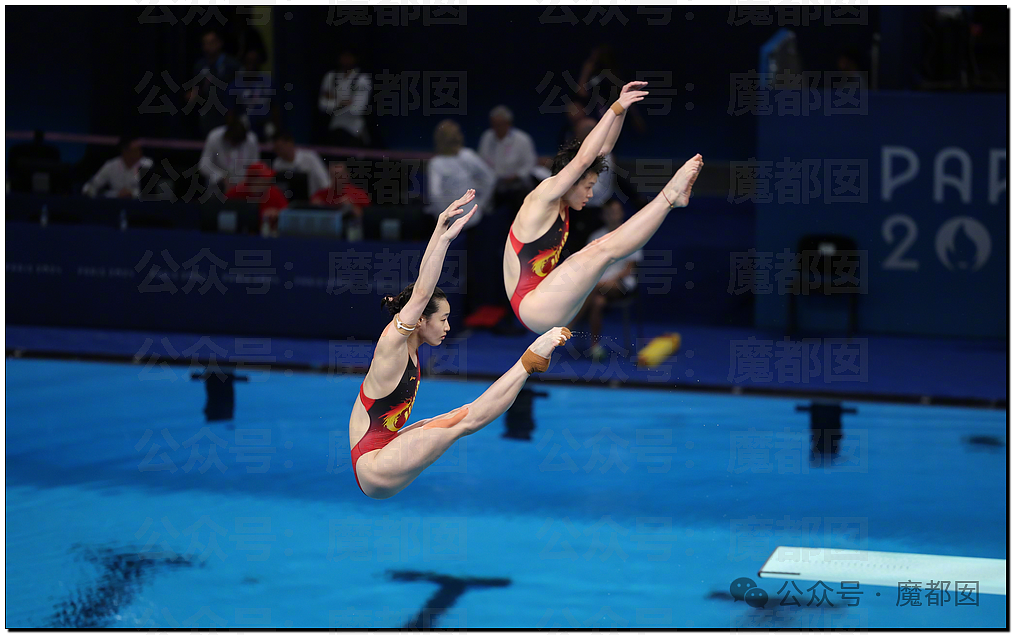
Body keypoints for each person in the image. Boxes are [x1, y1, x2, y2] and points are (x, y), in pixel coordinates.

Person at [348, 190, 572, 499]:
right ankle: (528, 362)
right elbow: (422, 293)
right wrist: (442, 236)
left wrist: (440, 235)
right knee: (465, 420)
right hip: (374, 465)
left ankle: (529, 363)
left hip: (383, 454)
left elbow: (421, 294)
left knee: (458, 419)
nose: (448, 327)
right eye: (443, 319)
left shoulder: (408, 347)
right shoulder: (393, 342)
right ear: (421, 320)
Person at [504, 80, 703, 334]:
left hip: (546, 297)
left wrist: (621, 108)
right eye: (587, 186)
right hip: (533, 306)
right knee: (600, 250)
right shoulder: (544, 195)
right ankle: (669, 198)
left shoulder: (561, 203)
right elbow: (583, 159)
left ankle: (670, 200)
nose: (591, 194)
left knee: (599, 250)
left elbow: (602, 150)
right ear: (570, 180)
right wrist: (615, 109)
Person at [567, 199, 642, 360]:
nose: (613, 215)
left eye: (616, 211)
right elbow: (588, 266)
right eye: (609, 212)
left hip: (622, 284)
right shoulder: (596, 237)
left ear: (621, 213)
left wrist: (608, 280)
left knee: (592, 288)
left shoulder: (632, 235)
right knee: (598, 302)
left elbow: (629, 269)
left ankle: (569, 324)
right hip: (599, 286)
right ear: (603, 215)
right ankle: (595, 347)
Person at [425, 119, 495, 229]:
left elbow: (489, 179)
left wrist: (480, 205)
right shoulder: (437, 163)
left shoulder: (467, 156)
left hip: (468, 220)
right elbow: (435, 195)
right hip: (455, 221)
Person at [478, 105, 538, 209]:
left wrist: (516, 176)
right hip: (493, 183)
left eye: (500, 124)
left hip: (517, 184)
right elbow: (481, 162)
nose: (497, 128)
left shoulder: (522, 139)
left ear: (508, 124)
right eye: (494, 124)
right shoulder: (487, 137)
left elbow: (530, 163)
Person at [189, 29, 241, 137]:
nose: (208, 46)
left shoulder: (232, 65)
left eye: (211, 43)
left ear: (220, 43)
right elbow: (196, 90)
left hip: (229, 114)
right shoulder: (200, 65)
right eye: (205, 43)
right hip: (208, 115)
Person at [319, 50, 372, 147]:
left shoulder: (362, 79)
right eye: (343, 57)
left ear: (354, 59)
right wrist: (342, 102)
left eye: (349, 57)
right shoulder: (330, 77)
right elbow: (322, 105)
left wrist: (333, 101)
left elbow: (357, 110)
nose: (346, 60)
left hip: (355, 129)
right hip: (334, 128)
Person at [228, 48, 281, 142]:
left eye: (254, 61)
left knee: (270, 130)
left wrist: (277, 129)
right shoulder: (235, 84)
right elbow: (230, 112)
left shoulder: (268, 82)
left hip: (266, 125)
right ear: (243, 62)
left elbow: (275, 107)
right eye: (248, 61)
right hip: (245, 126)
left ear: (259, 63)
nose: (251, 65)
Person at [199, 114, 260, 192]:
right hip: (219, 184)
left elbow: (255, 166)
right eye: (232, 142)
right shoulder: (214, 137)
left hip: (243, 185)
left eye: (237, 144)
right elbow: (203, 165)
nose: (234, 146)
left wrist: (246, 181)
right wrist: (221, 177)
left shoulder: (251, 140)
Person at [81, 137, 153, 199]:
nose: (140, 153)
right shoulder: (110, 166)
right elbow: (92, 185)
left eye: (140, 150)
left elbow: (150, 192)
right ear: (125, 151)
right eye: (136, 150)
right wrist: (88, 192)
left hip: (138, 207)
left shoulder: (147, 164)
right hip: (114, 205)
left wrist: (132, 194)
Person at [224, 162, 289, 230]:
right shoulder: (235, 193)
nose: (268, 181)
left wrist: (278, 213)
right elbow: (222, 211)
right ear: (252, 180)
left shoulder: (274, 192)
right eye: (264, 179)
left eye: (268, 178)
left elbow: (287, 213)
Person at [272, 130, 330, 196]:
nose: (278, 152)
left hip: (313, 200)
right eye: (276, 149)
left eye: (280, 148)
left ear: (290, 143)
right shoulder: (277, 164)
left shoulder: (310, 157)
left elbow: (325, 183)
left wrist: (321, 198)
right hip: (289, 202)